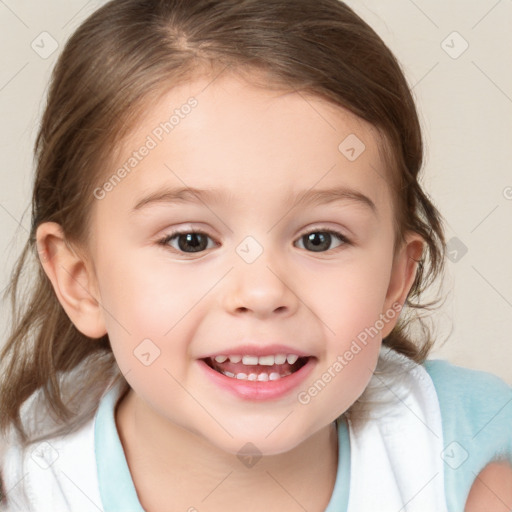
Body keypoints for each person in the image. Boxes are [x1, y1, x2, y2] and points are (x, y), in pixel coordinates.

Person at [0, 0, 511, 510]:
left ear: (394, 283)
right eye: (190, 240)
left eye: (319, 239)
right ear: (80, 280)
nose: (263, 292)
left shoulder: (466, 454)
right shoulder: (28, 485)